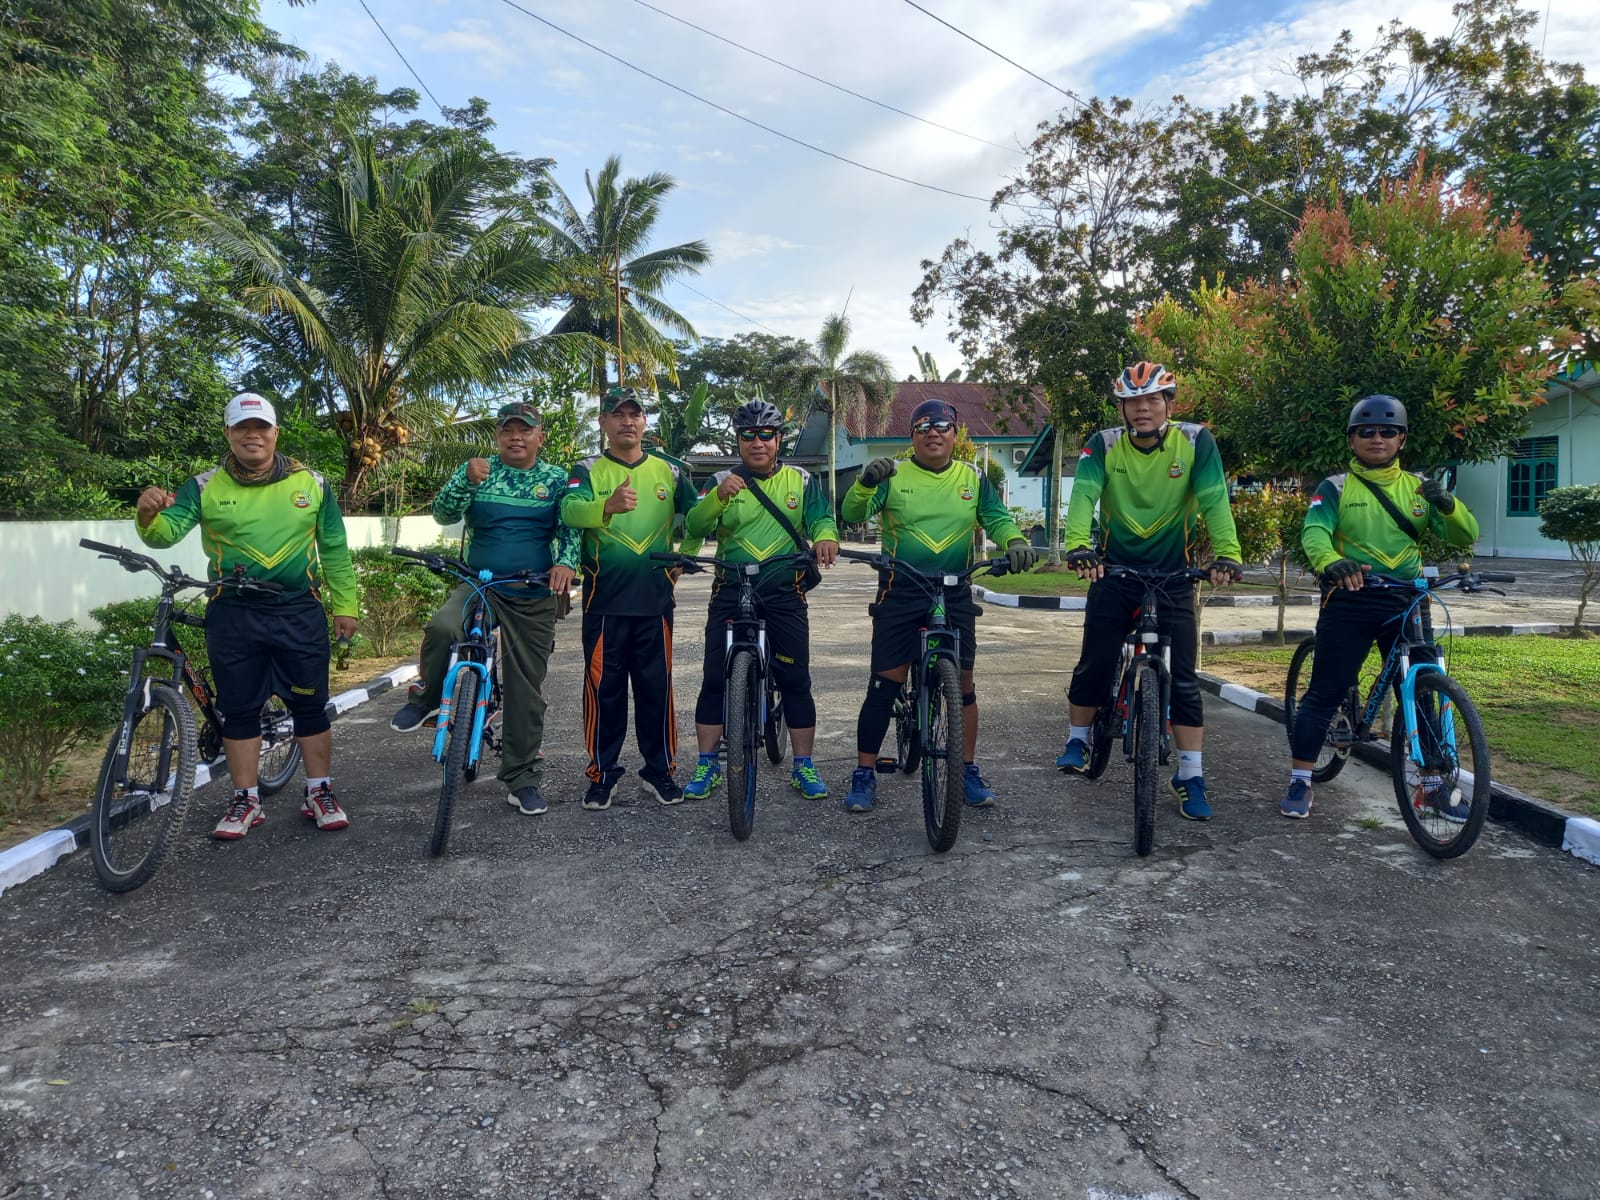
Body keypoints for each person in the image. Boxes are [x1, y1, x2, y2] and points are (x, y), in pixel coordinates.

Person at [135, 392, 359, 839]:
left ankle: (319, 791)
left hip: (298, 609)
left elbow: (334, 548)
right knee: (238, 709)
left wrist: (345, 604)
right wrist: (146, 515)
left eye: (260, 428)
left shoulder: (312, 484)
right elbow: (164, 533)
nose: (252, 436)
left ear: (275, 433)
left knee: (309, 705)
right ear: (229, 434)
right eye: (242, 428)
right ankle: (245, 800)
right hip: (233, 612)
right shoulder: (203, 485)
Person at [1055, 361, 1243, 822]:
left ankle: (1190, 774)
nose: (1142, 409)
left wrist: (1227, 553)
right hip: (1114, 569)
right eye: (1133, 402)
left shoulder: (1196, 441)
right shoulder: (1103, 444)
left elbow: (1215, 498)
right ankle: (1078, 740)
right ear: (1122, 407)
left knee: (1183, 679)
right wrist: (1078, 546)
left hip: (1173, 573)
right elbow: (1083, 495)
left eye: (1152, 400)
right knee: (1096, 659)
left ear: (1168, 404)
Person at [1280, 394, 1479, 819]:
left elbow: (1465, 536)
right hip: (1350, 597)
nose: (1377, 438)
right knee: (1326, 691)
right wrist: (1332, 563)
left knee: (1421, 692)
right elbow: (1315, 532)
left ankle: (1431, 786)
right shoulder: (1334, 487)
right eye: (1365, 431)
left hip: (1407, 600)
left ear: (1401, 439)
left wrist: (1447, 505)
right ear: (1352, 440)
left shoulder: (1420, 488)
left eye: (1387, 431)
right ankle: (1300, 781)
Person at [838, 398, 1036, 813]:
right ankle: (864, 773)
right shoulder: (892, 474)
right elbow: (852, 512)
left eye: (942, 426)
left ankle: (966, 769)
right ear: (912, 436)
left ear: (955, 435)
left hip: (955, 590)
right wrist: (866, 483)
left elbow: (996, 517)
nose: (933, 432)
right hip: (900, 591)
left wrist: (1015, 541)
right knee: (885, 683)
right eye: (923, 425)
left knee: (962, 686)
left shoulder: (974, 477)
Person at [389, 401, 578, 816]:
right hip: (480, 583)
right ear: (497, 437)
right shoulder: (478, 470)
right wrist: (463, 478)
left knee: (526, 691)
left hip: (532, 592)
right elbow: (443, 513)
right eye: (508, 430)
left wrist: (566, 562)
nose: (516, 437)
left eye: (525, 430)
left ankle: (522, 778)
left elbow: (569, 530)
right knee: (442, 628)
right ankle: (427, 698)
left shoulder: (556, 479)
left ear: (539, 437)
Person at [680, 398, 841, 801]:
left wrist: (826, 536)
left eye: (766, 435)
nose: (757, 442)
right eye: (748, 435)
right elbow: (696, 524)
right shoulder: (718, 480)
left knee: (795, 679)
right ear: (737, 440)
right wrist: (718, 497)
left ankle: (803, 766)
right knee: (714, 678)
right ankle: (706, 764)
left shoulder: (802, 481)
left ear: (778, 439)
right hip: (731, 588)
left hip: (784, 588)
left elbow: (821, 517)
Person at [559, 386, 700, 810]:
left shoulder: (671, 471)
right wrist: (606, 505)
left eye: (634, 414)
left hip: (655, 603)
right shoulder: (585, 469)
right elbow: (567, 510)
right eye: (617, 414)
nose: (627, 421)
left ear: (644, 422)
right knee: (606, 692)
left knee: (656, 690)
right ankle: (603, 774)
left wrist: (686, 555)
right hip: (604, 604)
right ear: (602, 423)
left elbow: (699, 516)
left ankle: (659, 773)